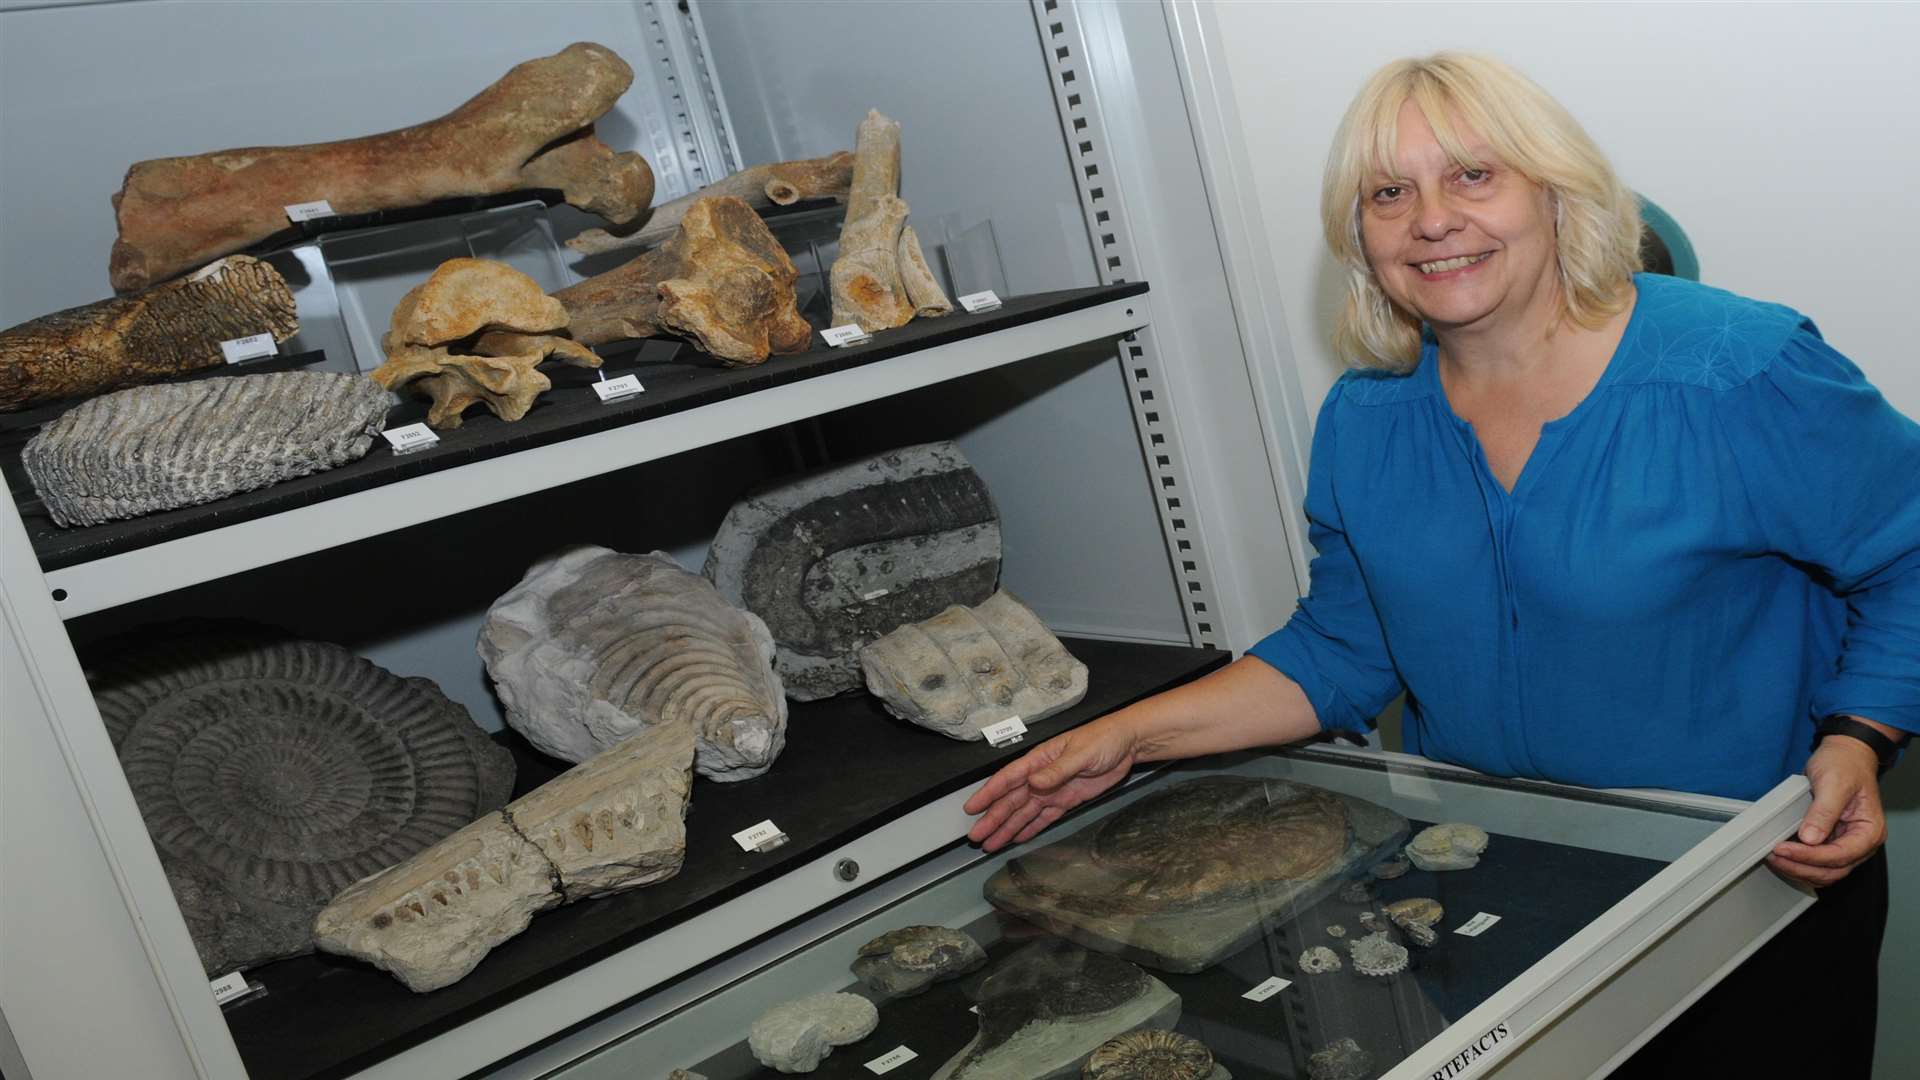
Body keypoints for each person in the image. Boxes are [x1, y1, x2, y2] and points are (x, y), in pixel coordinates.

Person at [964, 52, 1918, 1076]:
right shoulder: (1368, 417)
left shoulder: (1738, 369)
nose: (1431, 219)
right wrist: (1133, 737)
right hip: (1490, 881)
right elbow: (1340, 651)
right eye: (1389, 193)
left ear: (1557, 196)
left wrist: (1859, 737)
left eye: (1474, 176)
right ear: (1360, 235)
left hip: (1750, 890)